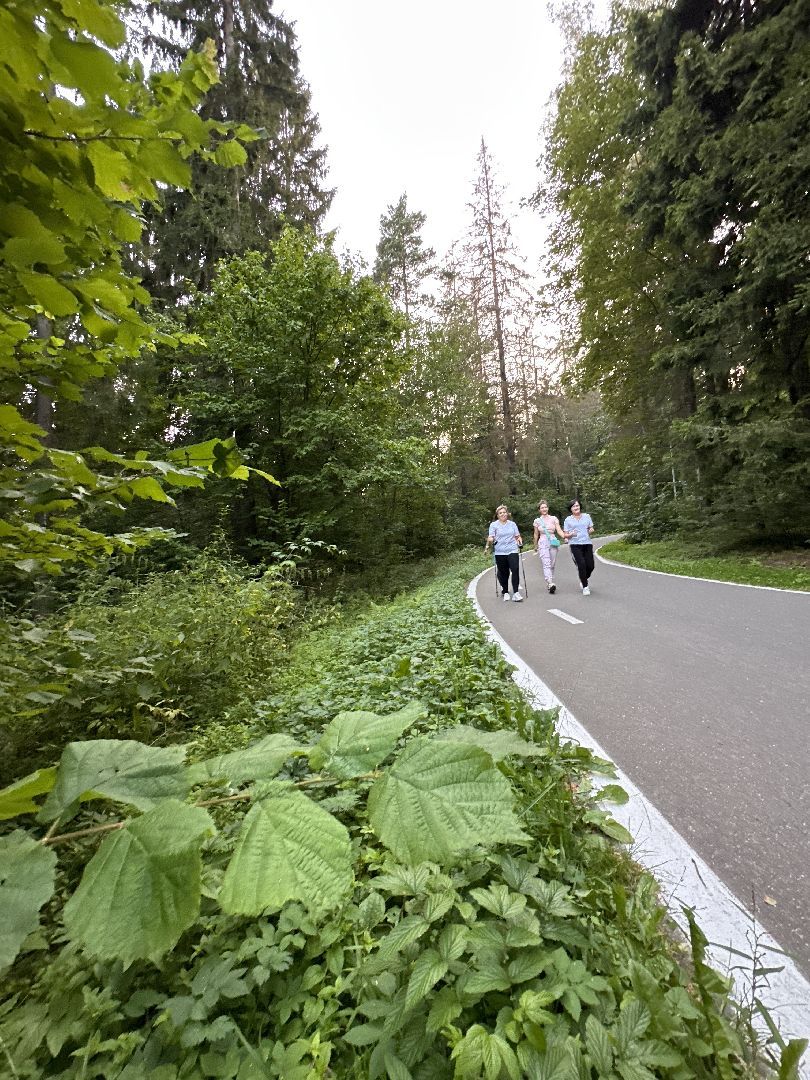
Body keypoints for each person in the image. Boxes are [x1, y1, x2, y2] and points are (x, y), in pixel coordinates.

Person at [484, 504, 524, 602]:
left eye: (504, 512)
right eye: (500, 513)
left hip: (512, 549)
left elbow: (517, 536)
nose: (502, 514)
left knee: (515, 569)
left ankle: (516, 593)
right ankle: (505, 591)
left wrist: (519, 540)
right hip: (500, 552)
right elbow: (491, 537)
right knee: (503, 573)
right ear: (497, 515)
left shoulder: (512, 524)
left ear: (507, 513)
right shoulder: (493, 525)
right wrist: (490, 540)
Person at [563, 498, 595, 595]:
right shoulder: (568, 520)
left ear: (580, 506)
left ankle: (583, 577)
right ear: (571, 509)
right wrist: (570, 535)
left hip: (587, 543)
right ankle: (585, 586)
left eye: (577, 505)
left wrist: (591, 530)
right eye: (573, 506)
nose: (576, 507)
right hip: (575, 545)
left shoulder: (587, 516)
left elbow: (591, 527)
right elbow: (565, 534)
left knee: (590, 566)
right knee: (581, 564)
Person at [532, 499, 565, 594]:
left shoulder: (554, 518)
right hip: (542, 541)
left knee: (552, 563)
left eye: (545, 507)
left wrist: (564, 537)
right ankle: (550, 583)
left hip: (553, 540)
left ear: (548, 508)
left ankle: (550, 581)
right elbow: (535, 534)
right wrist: (535, 545)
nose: (544, 509)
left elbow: (558, 530)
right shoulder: (537, 521)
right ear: (539, 510)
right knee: (546, 562)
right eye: (542, 507)